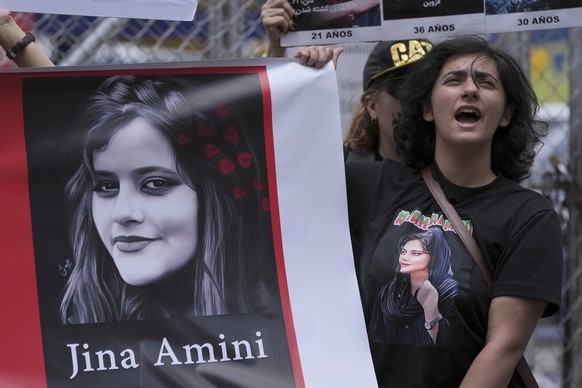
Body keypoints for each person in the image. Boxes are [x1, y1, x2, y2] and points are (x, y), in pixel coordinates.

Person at [347, 35, 563, 387]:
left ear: (506, 114)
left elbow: (503, 347)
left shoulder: (529, 217)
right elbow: (276, 175)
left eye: (486, 82)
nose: (470, 90)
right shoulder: (372, 186)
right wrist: (288, 61)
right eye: (454, 79)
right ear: (428, 109)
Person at [59, 75, 277, 324]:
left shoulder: (283, 308)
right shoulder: (78, 329)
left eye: (155, 184)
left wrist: (296, 62)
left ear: (214, 195)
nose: (122, 213)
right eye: (106, 186)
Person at [261, 0, 433, 162]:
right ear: (372, 106)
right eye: (402, 87)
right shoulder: (340, 170)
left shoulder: (456, 170)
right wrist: (277, 48)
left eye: (427, 87)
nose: (416, 98)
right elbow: (276, 151)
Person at [370, 227, 457, 347]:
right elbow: (375, 336)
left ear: (434, 257)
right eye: (403, 251)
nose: (404, 257)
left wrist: (431, 308)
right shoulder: (388, 292)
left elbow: (453, 344)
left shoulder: (451, 293)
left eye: (416, 253)